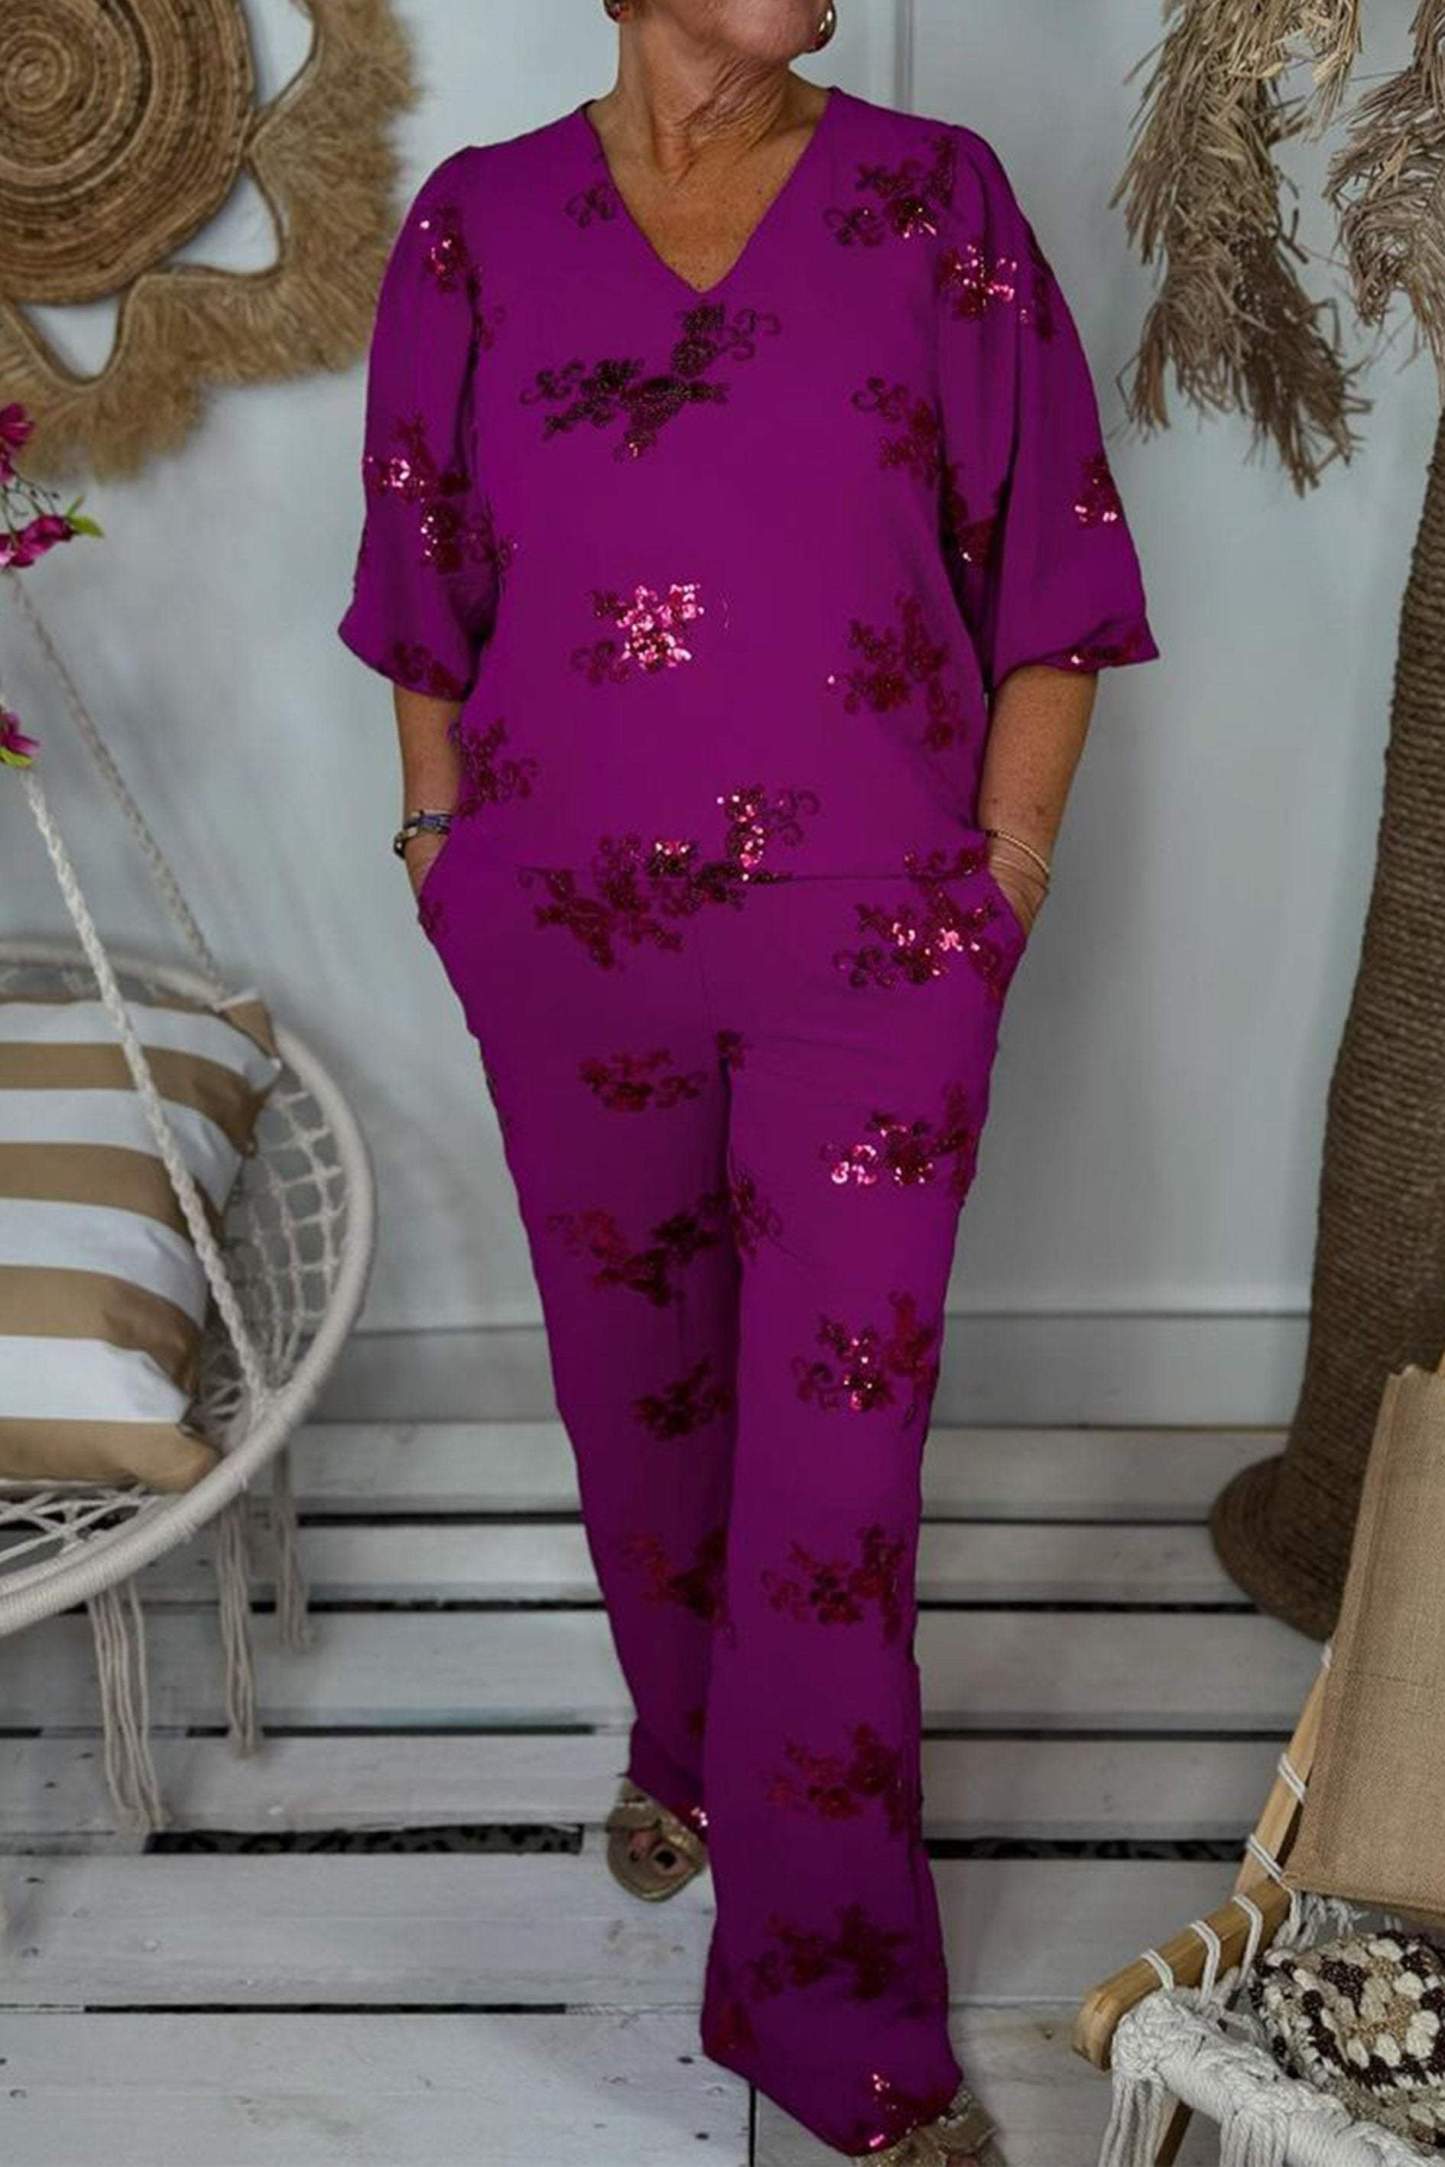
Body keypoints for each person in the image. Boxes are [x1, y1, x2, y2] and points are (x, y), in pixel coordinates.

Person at [338, 2, 1158, 2157]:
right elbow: (424, 583)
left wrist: (1007, 869)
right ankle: (691, 1754)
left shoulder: (931, 198)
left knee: (832, 1491)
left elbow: (1053, 567)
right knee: (643, 1400)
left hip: (874, 950)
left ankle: (836, 2024)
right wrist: (436, 844)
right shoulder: (478, 225)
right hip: (562, 933)